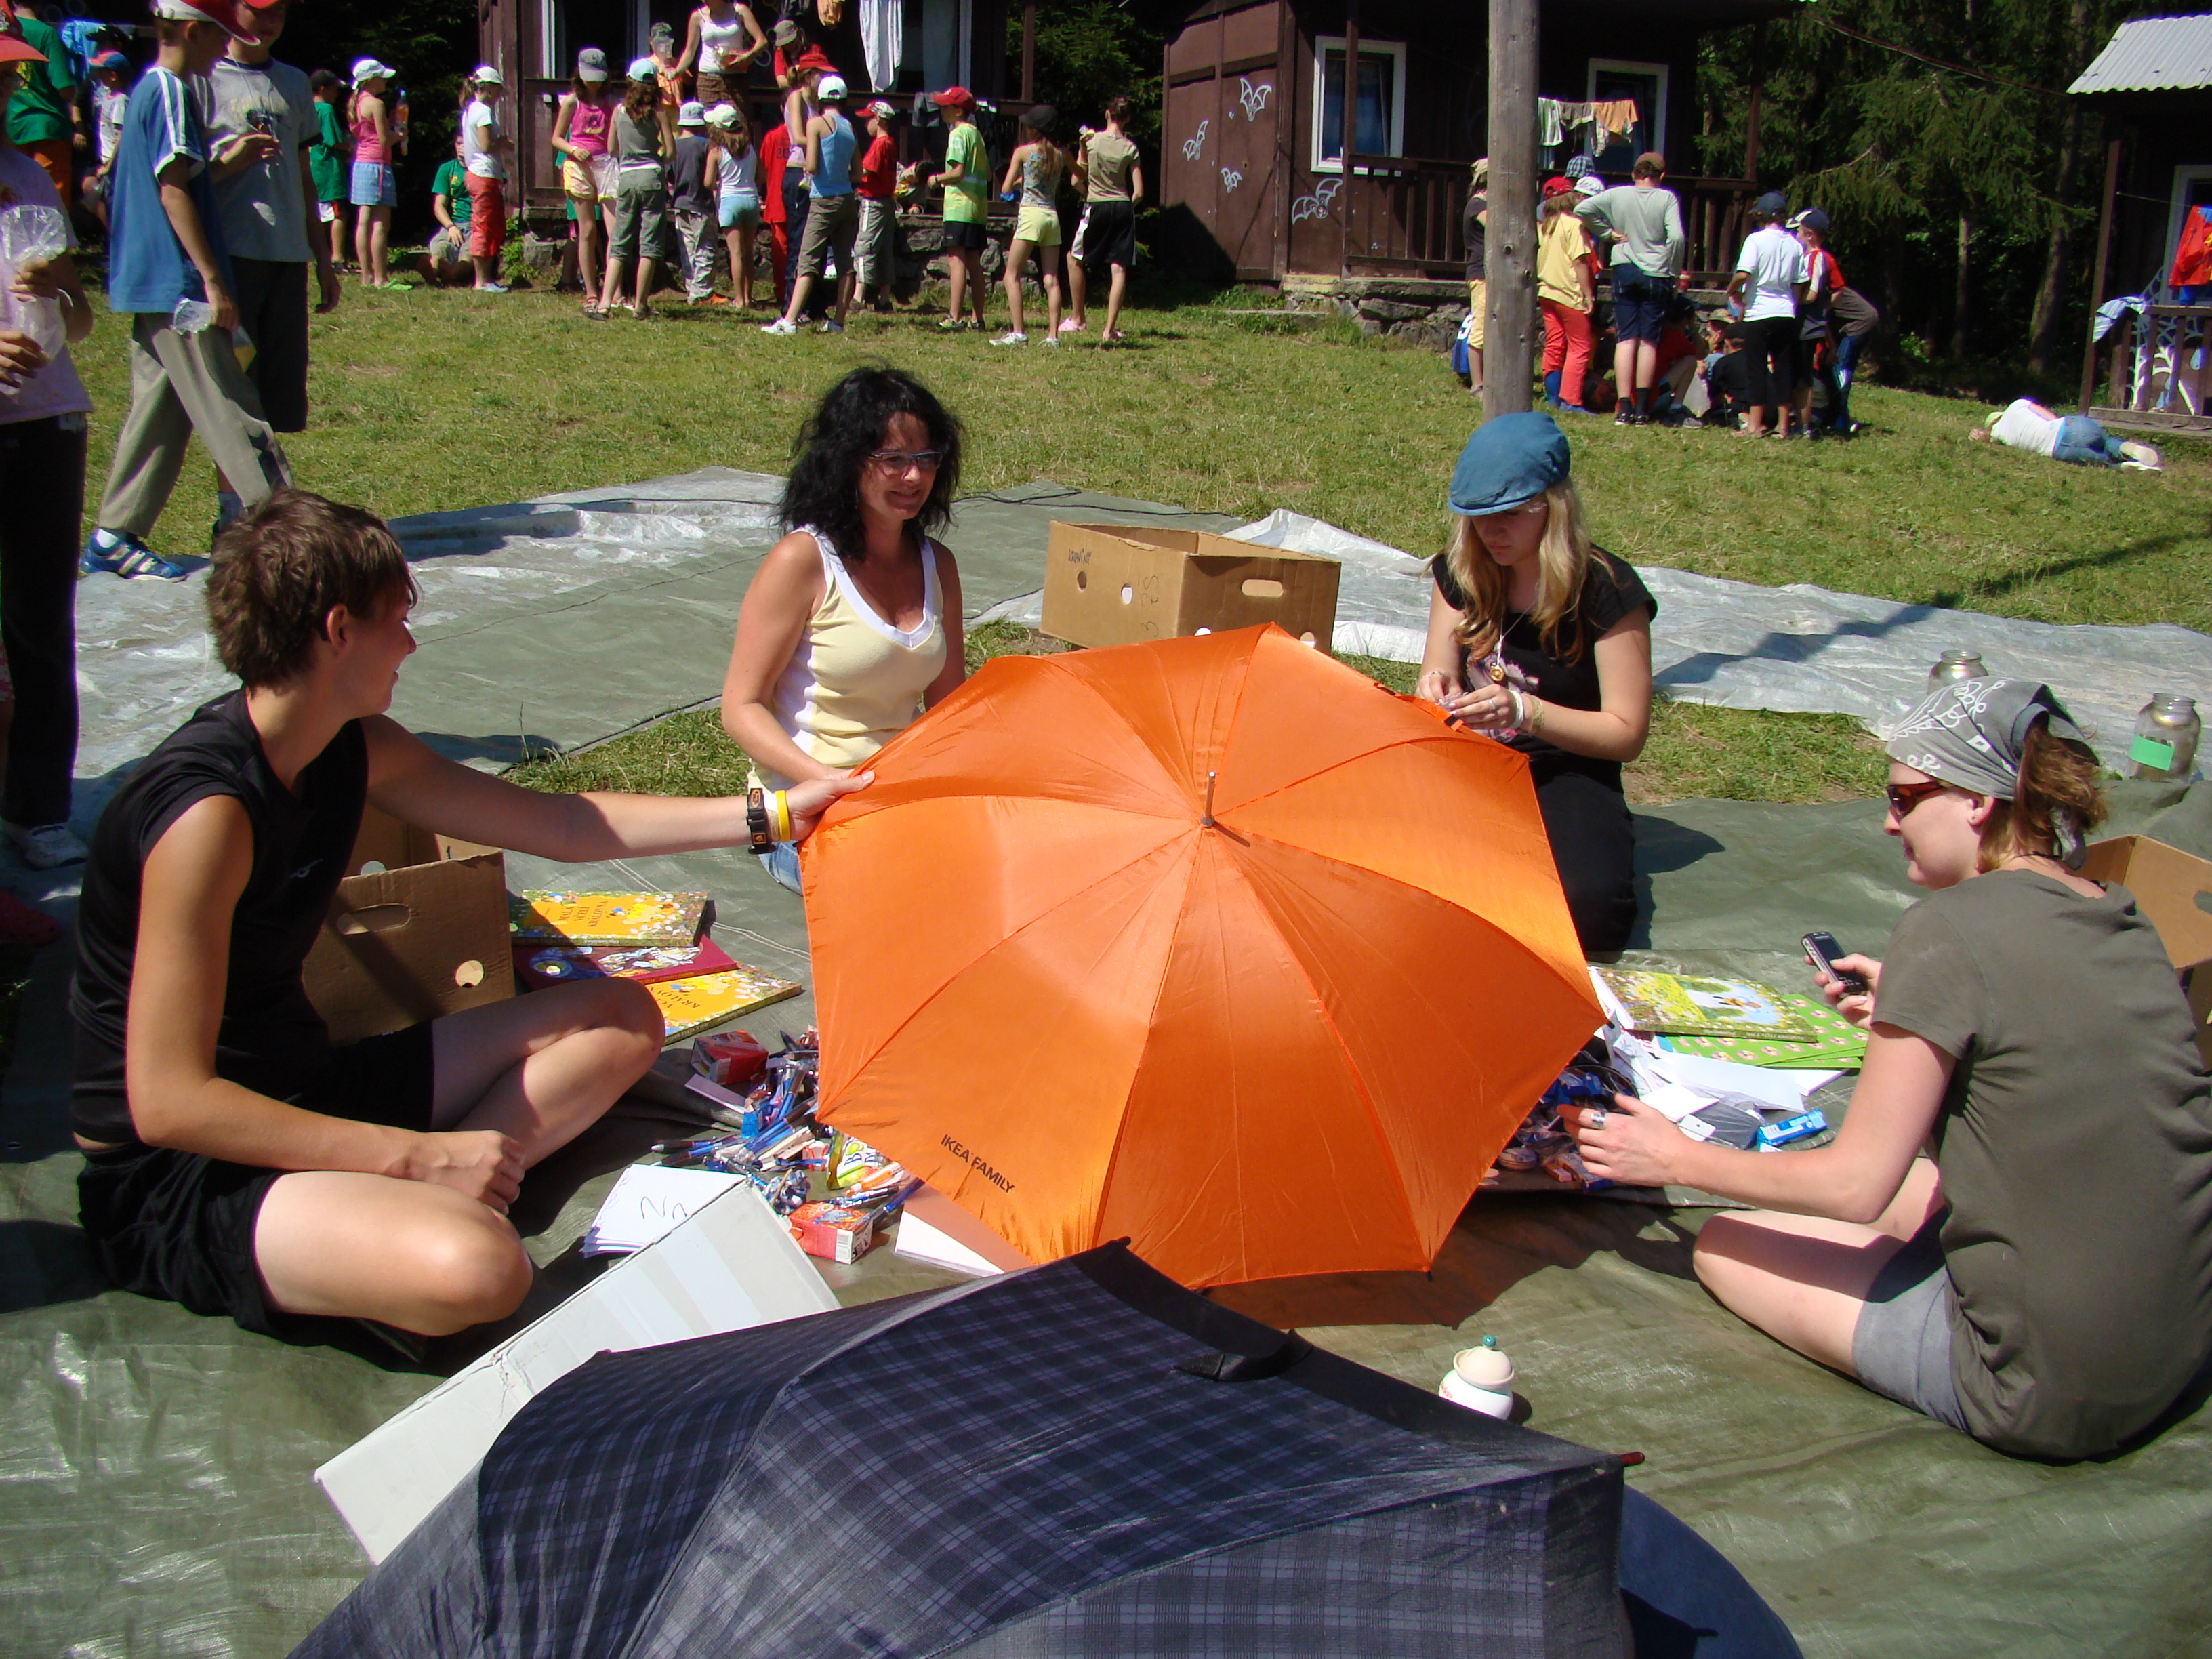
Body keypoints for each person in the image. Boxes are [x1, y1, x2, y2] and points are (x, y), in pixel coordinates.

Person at [68, 489, 867, 1345]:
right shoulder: (206, 817)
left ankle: (464, 1180)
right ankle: (442, 1193)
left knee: (624, 1014)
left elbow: (565, 826)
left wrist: (774, 814)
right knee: (481, 1270)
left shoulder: (351, 748)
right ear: (338, 631)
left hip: (311, 1083)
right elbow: (168, 1103)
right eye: (397, 621)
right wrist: (414, 1155)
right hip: (186, 1171)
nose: (411, 645)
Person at [1572, 677, 2212, 1460]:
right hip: (2176, 1347)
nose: (1887, 821)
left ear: (1976, 801)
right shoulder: (2117, 910)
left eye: (1906, 798)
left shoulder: (1948, 929)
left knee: (1728, 1244)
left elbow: (1854, 1188)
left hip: (2043, 1388)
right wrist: (1910, 1017)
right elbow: (2044, 1054)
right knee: (1918, 1187)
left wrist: (1675, 1158)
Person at [720, 368, 966, 895]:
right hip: (802, 812)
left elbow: (950, 709)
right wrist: (826, 781)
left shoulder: (938, 563)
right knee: (908, 895)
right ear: (849, 460)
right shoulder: (803, 561)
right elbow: (741, 708)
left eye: (927, 458)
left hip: (894, 801)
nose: (914, 477)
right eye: (893, 459)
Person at [1417, 413, 1654, 953]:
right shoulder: (1463, 569)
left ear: (1554, 505)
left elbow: (1626, 734)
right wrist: (1436, 688)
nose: (1492, 532)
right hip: (1470, 758)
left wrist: (1526, 712)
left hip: (1566, 765)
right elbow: (1437, 671)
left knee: (1587, 911)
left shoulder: (1605, 591)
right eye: (1479, 518)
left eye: (1510, 515)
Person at [80, 0, 292, 587]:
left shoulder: (143, 94)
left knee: (161, 412)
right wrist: (212, 280)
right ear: (193, 32)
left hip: (148, 282)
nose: (223, 50)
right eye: (218, 37)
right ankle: (285, 534)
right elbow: (172, 190)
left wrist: (228, 163)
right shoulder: (172, 91)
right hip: (179, 288)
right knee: (231, 404)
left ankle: (113, 536)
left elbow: (164, 180)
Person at [0, 26, 96, 884]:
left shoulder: (28, 177)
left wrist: (61, 289)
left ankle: (38, 808)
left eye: (8, 79)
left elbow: (81, 320)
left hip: (48, 419)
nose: (4, 95)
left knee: (40, 622)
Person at [197, 0, 339, 540]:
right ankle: (234, 514)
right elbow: (178, 181)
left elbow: (304, 175)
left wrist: (322, 258)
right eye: (256, 9)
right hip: (232, 255)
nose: (269, 19)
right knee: (237, 394)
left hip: (287, 255)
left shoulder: (295, 83)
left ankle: (268, 513)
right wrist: (228, 162)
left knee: (278, 395)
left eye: (277, 9)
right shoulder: (203, 78)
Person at [1576, 152, 1685, 426]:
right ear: (1661, 175)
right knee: (1648, 340)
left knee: (1626, 338)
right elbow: (1677, 236)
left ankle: (1623, 408)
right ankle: (1642, 409)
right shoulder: (1667, 198)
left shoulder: (1617, 194)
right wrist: (1674, 269)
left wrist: (1606, 233)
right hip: (1656, 270)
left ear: (1634, 173)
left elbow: (1582, 209)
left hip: (1624, 267)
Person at [762, 70, 858, 336]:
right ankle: (838, 321)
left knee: (807, 260)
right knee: (845, 263)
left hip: (822, 198)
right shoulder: (849, 127)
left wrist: (815, 170)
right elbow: (858, 173)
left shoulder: (816, 123)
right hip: (846, 198)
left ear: (822, 98)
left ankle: (790, 320)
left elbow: (812, 164)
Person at [593, 56, 674, 320]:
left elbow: (611, 148)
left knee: (619, 240)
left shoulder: (619, 111)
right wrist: (656, 156)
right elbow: (670, 151)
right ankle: (640, 305)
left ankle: (604, 303)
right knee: (649, 243)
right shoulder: (659, 112)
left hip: (627, 177)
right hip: (652, 176)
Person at [1726, 192, 1806, 438]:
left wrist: (1732, 290)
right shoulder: (1794, 244)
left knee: (1756, 369)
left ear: (1761, 216)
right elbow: (1799, 282)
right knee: (1783, 369)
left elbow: (1744, 273)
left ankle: (1755, 425)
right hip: (1785, 311)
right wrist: (1792, 304)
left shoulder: (1756, 240)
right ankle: (1783, 425)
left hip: (1759, 311)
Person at [1065, 95, 1141, 343]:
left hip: (1097, 205)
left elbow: (1076, 180)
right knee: (1118, 268)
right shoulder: (1130, 147)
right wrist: (1125, 207)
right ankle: (1109, 330)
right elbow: (1139, 192)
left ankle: (1078, 318)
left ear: (1107, 114)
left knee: (1074, 258)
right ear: (1127, 119)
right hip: (1123, 206)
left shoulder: (1091, 141)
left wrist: (1088, 194)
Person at [552, 48, 617, 312]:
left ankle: (615, 292)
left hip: (606, 163)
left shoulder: (612, 102)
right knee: (587, 230)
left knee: (614, 231)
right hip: (579, 165)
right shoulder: (572, 102)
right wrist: (572, 149)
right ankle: (591, 292)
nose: (594, 83)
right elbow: (556, 138)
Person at [992, 105, 1063, 346]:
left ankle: (1019, 332)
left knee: (1011, 275)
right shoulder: (1060, 155)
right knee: (1051, 278)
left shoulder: (1023, 152)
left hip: (1031, 214)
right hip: (1052, 216)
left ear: (1035, 129)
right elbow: (1079, 174)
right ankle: (1053, 336)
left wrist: (1018, 183)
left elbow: (1005, 188)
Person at [0, 0, 79, 207]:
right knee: (48, 197)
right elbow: (64, 88)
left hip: (15, 125)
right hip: (47, 127)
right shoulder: (46, 33)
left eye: (9, 75)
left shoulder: (18, 29)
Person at [1538, 176, 1597, 413]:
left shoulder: (1545, 225)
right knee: (1579, 346)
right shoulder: (1573, 224)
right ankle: (1571, 400)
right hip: (1568, 292)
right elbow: (1580, 262)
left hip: (1546, 291)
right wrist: (1587, 294)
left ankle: (1552, 395)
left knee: (1554, 343)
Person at [1971, 398, 2162, 470]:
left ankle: (2126, 467)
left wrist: (1981, 437)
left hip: (2060, 450)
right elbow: (2049, 416)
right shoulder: (2018, 405)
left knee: (2103, 463)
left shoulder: (2000, 437)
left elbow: (1987, 439)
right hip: (2069, 426)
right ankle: (2123, 447)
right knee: (2105, 441)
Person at [932, 85, 987, 331]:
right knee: (974, 262)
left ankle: (954, 317)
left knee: (956, 262)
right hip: (977, 208)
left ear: (958, 111)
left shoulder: (957, 135)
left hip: (958, 207)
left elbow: (958, 172)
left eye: (946, 106)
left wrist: (936, 179)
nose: (941, 110)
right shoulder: (976, 134)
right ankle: (978, 318)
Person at [346, 57, 400, 289]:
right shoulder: (376, 104)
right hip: (377, 165)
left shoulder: (357, 102)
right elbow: (384, 140)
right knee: (380, 223)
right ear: (371, 80)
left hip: (360, 163)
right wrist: (400, 135)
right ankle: (381, 278)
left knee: (363, 221)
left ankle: (366, 275)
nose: (385, 81)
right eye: (381, 77)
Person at [459, 66, 511, 293]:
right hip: (483, 174)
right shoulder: (483, 111)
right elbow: (485, 145)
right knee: (483, 227)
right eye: (498, 90)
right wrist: (504, 142)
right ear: (488, 88)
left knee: (492, 225)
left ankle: (488, 277)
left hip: (477, 173)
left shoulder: (470, 109)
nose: (499, 96)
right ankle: (481, 280)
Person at [706, 101, 758, 307]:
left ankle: (739, 299)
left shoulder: (717, 151)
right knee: (748, 251)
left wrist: (718, 184)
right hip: (751, 198)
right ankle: (749, 295)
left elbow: (708, 181)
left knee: (735, 253)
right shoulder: (750, 149)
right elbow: (762, 176)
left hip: (729, 199)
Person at [668, 99, 715, 303]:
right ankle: (702, 291)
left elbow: (669, 175)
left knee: (687, 248)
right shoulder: (705, 145)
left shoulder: (674, 145)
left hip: (680, 203)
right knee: (704, 247)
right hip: (701, 202)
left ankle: (691, 288)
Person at [678, 0, 764, 111]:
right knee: (708, 119)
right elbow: (689, 51)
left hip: (735, 78)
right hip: (707, 79)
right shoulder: (697, 16)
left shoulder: (740, 11)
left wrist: (747, 57)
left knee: (738, 119)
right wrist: (677, 71)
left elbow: (762, 41)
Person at [853, 98, 897, 312]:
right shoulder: (891, 143)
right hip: (887, 202)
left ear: (878, 119)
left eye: (868, 119)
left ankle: (858, 297)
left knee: (865, 246)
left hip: (872, 201)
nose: (865, 124)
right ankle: (884, 298)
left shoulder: (879, 144)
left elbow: (865, 170)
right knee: (885, 251)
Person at [305, 68, 350, 270]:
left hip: (312, 167)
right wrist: (351, 146)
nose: (337, 95)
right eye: (335, 90)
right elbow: (333, 141)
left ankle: (315, 255)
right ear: (323, 89)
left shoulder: (307, 108)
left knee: (317, 214)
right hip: (328, 168)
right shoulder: (326, 110)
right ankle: (337, 258)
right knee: (338, 214)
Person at [85, 47, 132, 228]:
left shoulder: (121, 101)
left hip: (114, 163)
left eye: (101, 71)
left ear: (113, 75)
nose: (98, 74)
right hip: (105, 159)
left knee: (113, 204)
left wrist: (109, 166)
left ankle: (114, 238)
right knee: (101, 201)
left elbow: (121, 136)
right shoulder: (106, 97)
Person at [415, 134, 469, 285]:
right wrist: (451, 227)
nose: (462, 148)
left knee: (470, 253)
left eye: (465, 143)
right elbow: (439, 205)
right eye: (459, 143)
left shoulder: (481, 168)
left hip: (476, 225)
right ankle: (433, 268)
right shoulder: (447, 169)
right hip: (455, 223)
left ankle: (451, 275)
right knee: (441, 247)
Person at [757, 112, 791, 310]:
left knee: (781, 251)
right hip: (800, 201)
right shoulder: (807, 134)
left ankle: (783, 291)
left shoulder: (772, 137)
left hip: (777, 201)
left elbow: (762, 169)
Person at [1460, 157, 1488, 394]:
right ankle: (1477, 384)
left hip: (1491, 274)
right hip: (1481, 273)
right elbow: (1498, 227)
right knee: (1481, 328)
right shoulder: (1478, 205)